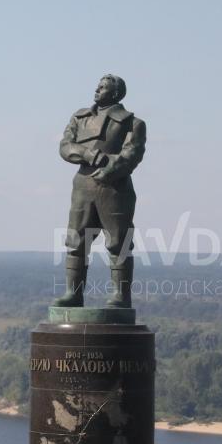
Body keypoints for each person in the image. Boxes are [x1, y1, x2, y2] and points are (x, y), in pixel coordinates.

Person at [52, 74, 146, 309]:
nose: (97, 89)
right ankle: (73, 294)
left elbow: (132, 154)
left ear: (115, 93)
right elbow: (65, 146)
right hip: (83, 186)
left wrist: (109, 171)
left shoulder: (132, 123)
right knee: (76, 241)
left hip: (114, 188)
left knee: (118, 243)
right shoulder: (80, 117)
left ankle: (120, 297)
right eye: (98, 85)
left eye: (103, 87)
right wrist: (88, 155)